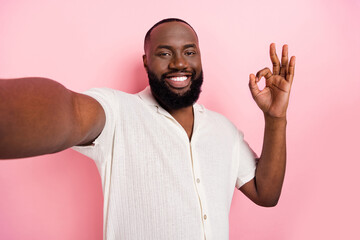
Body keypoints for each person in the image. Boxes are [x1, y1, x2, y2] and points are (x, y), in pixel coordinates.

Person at [0, 18, 295, 240]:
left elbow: (265, 193)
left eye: (189, 52)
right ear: (146, 61)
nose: (180, 63)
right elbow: (70, 111)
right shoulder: (117, 111)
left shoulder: (224, 130)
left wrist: (275, 119)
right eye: (164, 53)